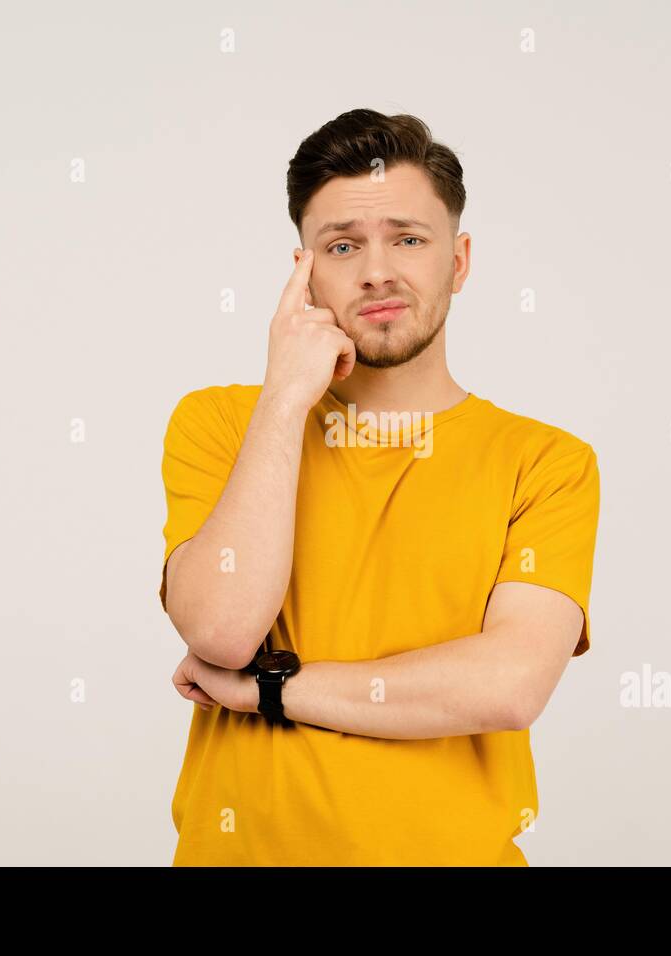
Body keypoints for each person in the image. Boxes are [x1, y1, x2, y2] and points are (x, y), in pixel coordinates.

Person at [160, 108, 601, 866]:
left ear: (458, 262)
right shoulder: (225, 424)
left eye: (408, 238)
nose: (376, 271)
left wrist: (265, 689)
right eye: (341, 245)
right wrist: (285, 398)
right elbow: (223, 630)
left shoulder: (546, 461)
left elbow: (509, 684)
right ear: (301, 271)